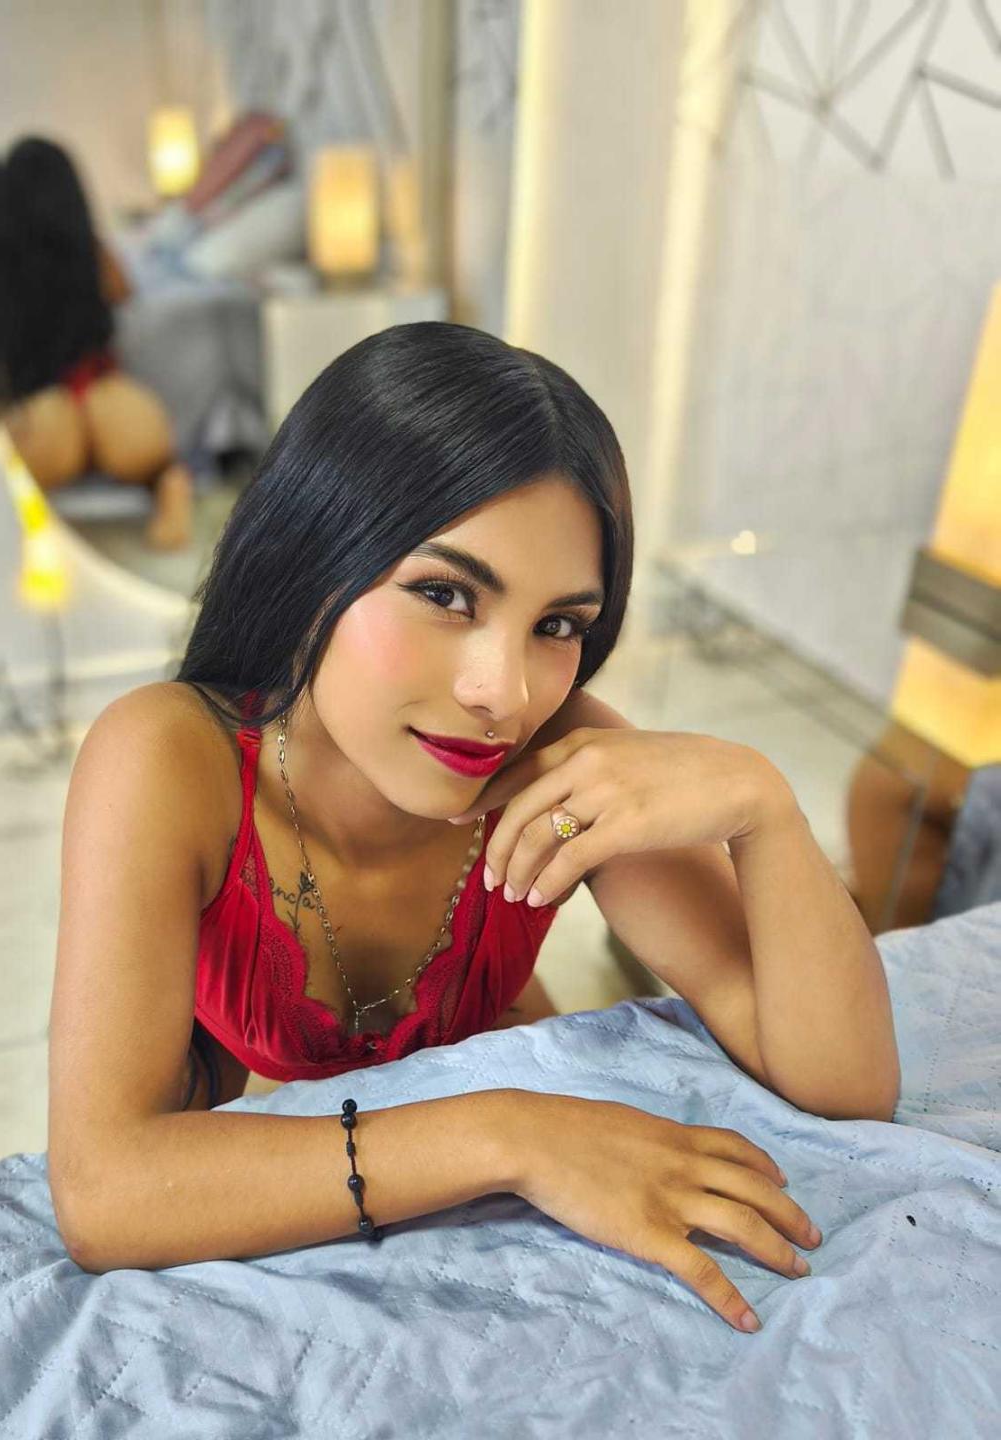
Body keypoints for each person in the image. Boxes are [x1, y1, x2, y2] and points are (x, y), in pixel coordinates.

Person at [47, 322, 899, 1334]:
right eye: (445, 594)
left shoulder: (563, 758)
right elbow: (103, 1192)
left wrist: (765, 809)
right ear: (311, 557)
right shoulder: (166, 759)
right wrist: (514, 1138)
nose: (504, 694)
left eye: (557, 626)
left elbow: (848, 1090)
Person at [0, 137, 194, 549]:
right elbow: (124, 291)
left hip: (43, 410)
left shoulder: (7, 264)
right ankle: (168, 486)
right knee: (154, 460)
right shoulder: (90, 250)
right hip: (105, 396)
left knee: (20, 462)